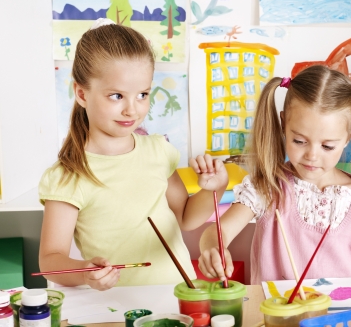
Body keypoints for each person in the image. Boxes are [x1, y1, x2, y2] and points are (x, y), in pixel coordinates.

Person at [38, 19, 229, 290]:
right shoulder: (69, 174)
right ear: (81, 93)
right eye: (116, 96)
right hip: (117, 308)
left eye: (142, 94)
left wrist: (215, 189)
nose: (132, 109)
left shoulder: (158, 151)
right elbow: (50, 259)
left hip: (178, 297)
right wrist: (84, 273)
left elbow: (186, 217)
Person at [197, 65, 351, 284]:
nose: (312, 155)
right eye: (299, 141)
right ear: (284, 124)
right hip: (274, 317)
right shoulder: (266, 188)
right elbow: (218, 232)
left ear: (349, 136)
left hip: (342, 319)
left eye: (327, 146)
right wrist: (213, 248)